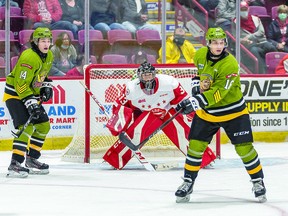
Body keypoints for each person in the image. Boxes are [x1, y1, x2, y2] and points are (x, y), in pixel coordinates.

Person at [174, 27, 266, 203]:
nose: (218, 46)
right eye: (215, 42)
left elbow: (218, 94)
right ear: (208, 43)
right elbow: (199, 76)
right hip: (208, 113)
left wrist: (196, 101)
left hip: (234, 113)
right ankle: (187, 182)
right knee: (195, 147)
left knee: (244, 149)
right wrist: (195, 91)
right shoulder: (200, 55)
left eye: (221, 42)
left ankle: (257, 181)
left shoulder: (230, 64)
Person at [103, 62, 216, 170]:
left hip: (168, 112)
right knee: (135, 134)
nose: (148, 78)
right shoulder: (131, 89)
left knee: (182, 133)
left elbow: (185, 102)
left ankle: (203, 159)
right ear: (139, 76)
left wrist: (195, 120)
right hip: (144, 114)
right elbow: (120, 107)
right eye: (145, 76)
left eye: (150, 75)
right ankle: (114, 159)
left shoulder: (169, 82)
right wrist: (118, 126)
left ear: (155, 74)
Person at [3, 27, 53, 178]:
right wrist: (30, 103)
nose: (46, 43)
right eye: (43, 40)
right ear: (35, 42)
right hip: (15, 95)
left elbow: (41, 75)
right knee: (25, 127)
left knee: (43, 125)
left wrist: (45, 85)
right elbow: (20, 83)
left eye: (48, 40)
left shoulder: (49, 55)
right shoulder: (28, 57)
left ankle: (31, 159)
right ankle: (15, 163)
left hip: (30, 95)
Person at [235, 1, 277, 74]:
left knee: (271, 47)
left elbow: (261, 31)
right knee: (255, 50)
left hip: (261, 42)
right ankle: (262, 73)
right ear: (238, 11)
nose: (244, 11)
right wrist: (243, 41)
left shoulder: (255, 18)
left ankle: (277, 70)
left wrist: (249, 36)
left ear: (248, 9)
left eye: (245, 9)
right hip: (249, 45)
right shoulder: (235, 21)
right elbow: (235, 37)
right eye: (242, 10)